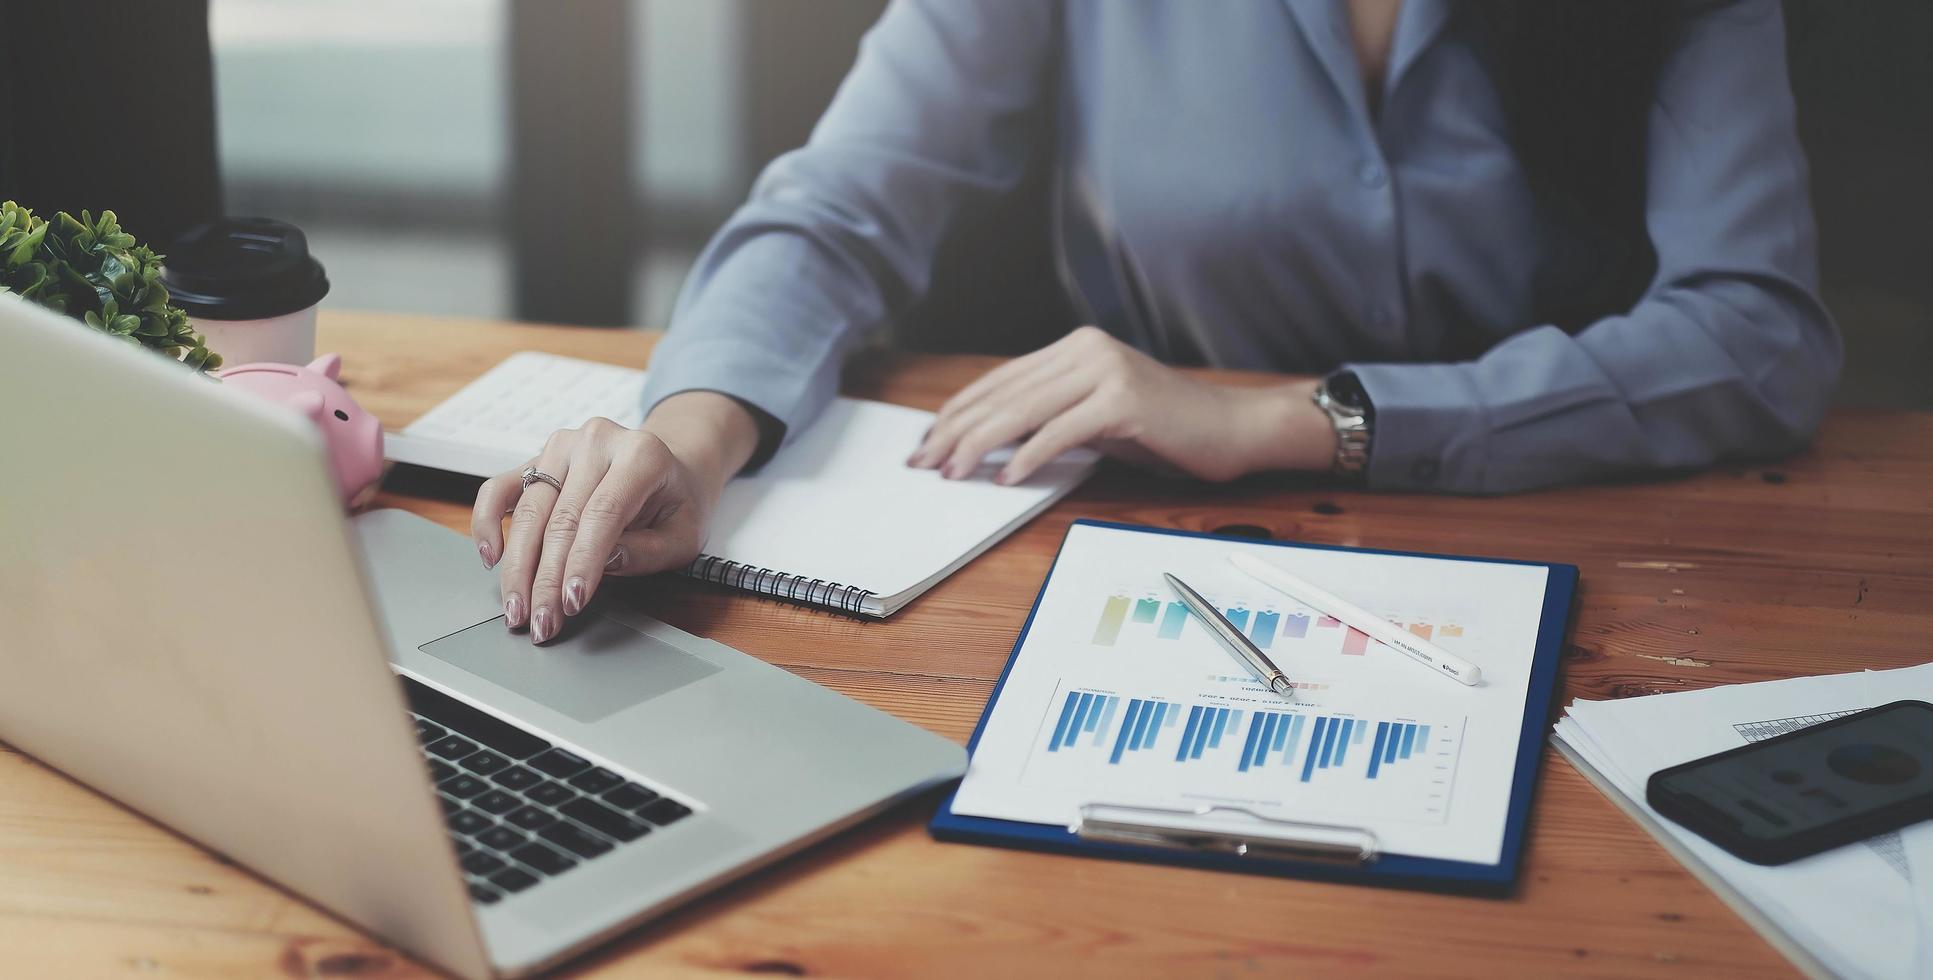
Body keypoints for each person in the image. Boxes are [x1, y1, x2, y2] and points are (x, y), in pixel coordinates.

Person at [473, 0, 1838, 644]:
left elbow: (1755, 337)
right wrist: (694, 436)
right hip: (1169, 565)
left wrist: (1280, 420)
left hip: (1597, 560)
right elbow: (842, 203)